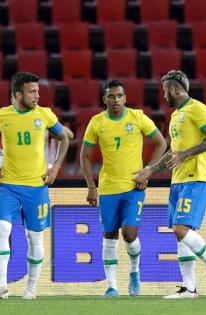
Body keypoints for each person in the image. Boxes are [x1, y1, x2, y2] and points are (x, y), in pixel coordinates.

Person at [133, 70, 206, 299]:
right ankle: (189, 288)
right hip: (178, 181)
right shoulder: (176, 116)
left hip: (196, 177)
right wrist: (150, 170)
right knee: (181, 234)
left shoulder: (198, 108)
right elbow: (173, 152)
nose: (163, 96)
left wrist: (186, 154)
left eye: (165, 91)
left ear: (173, 89)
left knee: (181, 229)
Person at [0, 71, 69, 299]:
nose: (37, 95)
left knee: (35, 238)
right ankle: (1, 285)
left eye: (37, 91)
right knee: (1, 229)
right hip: (8, 186)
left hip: (37, 187)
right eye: (32, 91)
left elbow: (64, 138)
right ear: (18, 94)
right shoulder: (1, 116)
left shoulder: (45, 115)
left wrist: (56, 167)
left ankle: (31, 288)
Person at [80, 80, 167, 297]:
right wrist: (91, 186)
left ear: (125, 98)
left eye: (119, 96)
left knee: (129, 234)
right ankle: (111, 286)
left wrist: (148, 170)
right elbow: (85, 156)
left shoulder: (137, 117)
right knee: (109, 235)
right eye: (111, 96)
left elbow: (161, 143)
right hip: (108, 187)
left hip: (133, 186)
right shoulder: (97, 122)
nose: (115, 100)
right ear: (104, 99)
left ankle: (135, 272)